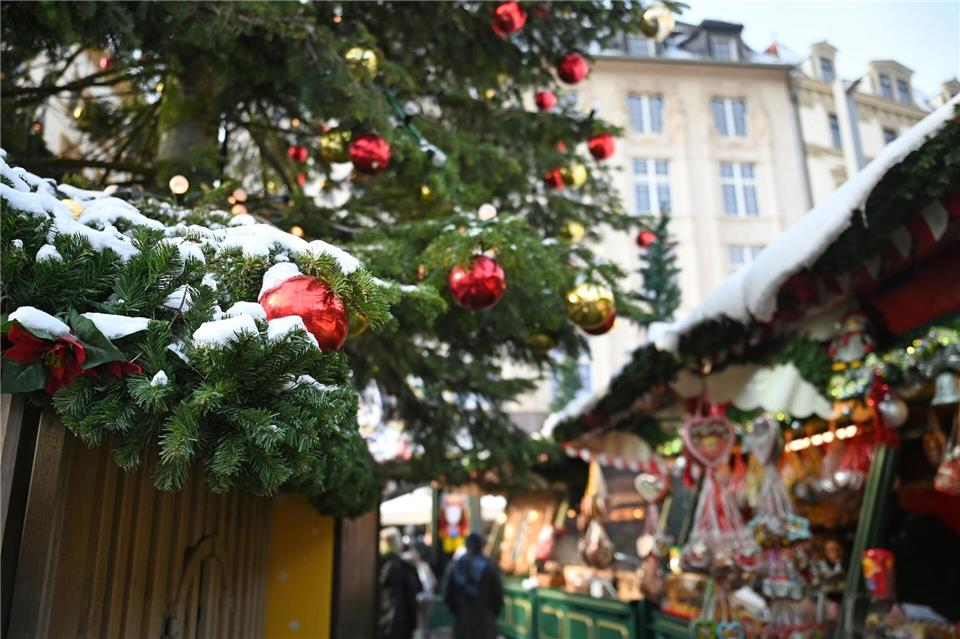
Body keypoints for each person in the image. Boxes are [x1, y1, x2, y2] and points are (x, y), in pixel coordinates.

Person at [443, 532, 504, 639]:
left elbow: (448, 595)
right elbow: (498, 596)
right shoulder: (490, 566)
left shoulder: (455, 565)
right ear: (481, 545)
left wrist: (457, 610)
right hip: (484, 621)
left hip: (462, 620)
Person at [379, 527, 422, 639]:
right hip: (400, 625)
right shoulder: (404, 567)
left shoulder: (375, 565)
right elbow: (413, 595)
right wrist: (414, 626)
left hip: (380, 624)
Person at [408, 542, 437, 639]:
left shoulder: (423, 567)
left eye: (413, 551)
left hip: (424, 601)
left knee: (420, 628)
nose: (411, 553)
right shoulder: (417, 566)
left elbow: (428, 587)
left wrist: (418, 596)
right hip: (422, 601)